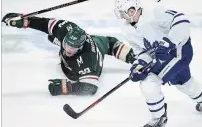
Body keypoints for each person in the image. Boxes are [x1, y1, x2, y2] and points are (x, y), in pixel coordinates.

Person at [114, 0, 202, 127]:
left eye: (122, 13)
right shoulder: (128, 30)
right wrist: (139, 66)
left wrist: (169, 42)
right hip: (166, 58)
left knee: (149, 83)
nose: (121, 17)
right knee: (183, 81)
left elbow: (182, 21)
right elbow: (142, 52)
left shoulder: (155, 13)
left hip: (180, 51)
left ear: (131, 10)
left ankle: (159, 119)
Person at [2, 13, 136, 96]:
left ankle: (135, 56)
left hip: (93, 55)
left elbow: (91, 88)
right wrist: (26, 21)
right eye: (66, 44)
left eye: (73, 47)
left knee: (111, 45)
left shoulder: (88, 60)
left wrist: (66, 87)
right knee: (52, 34)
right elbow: (46, 24)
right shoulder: (67, 29)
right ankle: (133, 54)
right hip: (95, 40)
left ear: (81, 47)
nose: (68, 50)